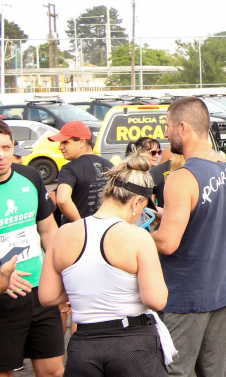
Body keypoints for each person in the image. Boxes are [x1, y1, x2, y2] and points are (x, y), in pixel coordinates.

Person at [38, 154, 172, 376]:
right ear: (137, 201)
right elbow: (156, 300)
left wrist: (87, 288)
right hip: (132, 344)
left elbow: (48, 296)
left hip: (83, 346)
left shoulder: (63, 234)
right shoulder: (137, 237)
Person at [152, 97, 226, 377]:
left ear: (182, 127)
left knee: (173, 372)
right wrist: (165, 215)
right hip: (220, 291)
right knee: (215, 373)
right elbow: (207, 220)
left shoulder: (181, 178)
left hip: (185, 296)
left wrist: (132, 232)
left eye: (167, 126)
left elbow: (167, 243)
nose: (165, 134)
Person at [0, 120, 62, 377]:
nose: (0, 155)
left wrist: (58, 274)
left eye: (5, 147)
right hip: (3, 297)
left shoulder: (30, 176)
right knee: (4, 372)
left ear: (13, 146)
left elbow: (48, 230)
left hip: (40, 290)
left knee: (53, 371)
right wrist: (1, 278)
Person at [50, 120, 114, 224]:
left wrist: (81, 224)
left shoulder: (69, 169)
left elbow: (62, 200)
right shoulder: (110, 166)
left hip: (77, 234)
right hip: (106, 230)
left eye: (65, 142)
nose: (60, 147)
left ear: (82, 142)